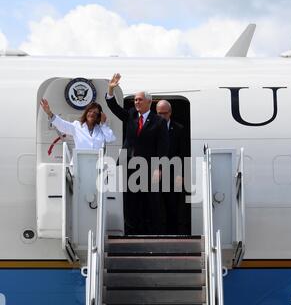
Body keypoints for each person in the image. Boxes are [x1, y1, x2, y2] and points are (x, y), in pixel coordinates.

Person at [106, 73, 169, 235]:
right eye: (135, 100)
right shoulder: (131, 116)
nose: (136, 102)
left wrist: (159, 168)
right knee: (129, 200)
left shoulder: (159, 122)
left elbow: (163, 147)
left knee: (150, 201)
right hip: (128, 165)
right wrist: (110, 91)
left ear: (149, 101)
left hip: (148, 167)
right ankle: (130, 231)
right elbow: (114, 108)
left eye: (139, 99)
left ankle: (153, 233)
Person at [156, 99, 186, 234]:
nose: (162, 116)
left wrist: (181, 174)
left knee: (172, 206)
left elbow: (183, 153)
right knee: (155, 206)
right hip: (152, 173)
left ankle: (172, 234)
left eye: (164, 113)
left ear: (170, 113)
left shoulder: (179, 129)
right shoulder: (150, 128)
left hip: (173, 173)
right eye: (159, 113)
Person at [40, 98, 116, 149]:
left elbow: (111, 139)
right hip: (79, 164)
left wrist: (103, 124)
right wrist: (49, 113)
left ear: (98, 116)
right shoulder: (77, 126)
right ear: (86, 113)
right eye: (90, 111)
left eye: (95, 113)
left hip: (96, 166)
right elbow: (62, 125)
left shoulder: (101, 129)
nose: (92, 114)